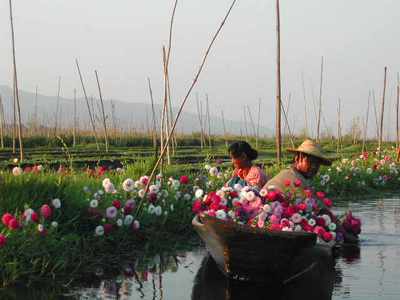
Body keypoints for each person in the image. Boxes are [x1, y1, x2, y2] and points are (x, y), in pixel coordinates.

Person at [264, 139, 332, 192]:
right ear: (298, 158)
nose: (314, 167)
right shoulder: (291, 177)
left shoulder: (299, 177)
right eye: (311, 162)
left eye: (317, 164)